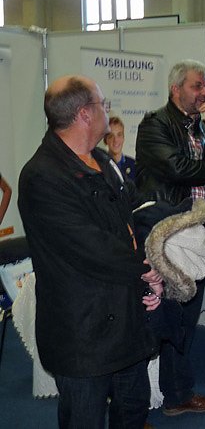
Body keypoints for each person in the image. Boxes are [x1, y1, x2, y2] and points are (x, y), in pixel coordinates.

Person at [17, 75, 161, 428]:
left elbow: (132, 215)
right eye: (102, 104)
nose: (106, 110)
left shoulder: (101, 159)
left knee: (133, 408)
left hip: (125, 320)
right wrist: (146, 268)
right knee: (84, 419)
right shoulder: (42, 176)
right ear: (84, 114)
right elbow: (91, 247)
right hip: (82, 334)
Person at [135, 60, 205, 415]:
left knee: (186, 320)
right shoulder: (154, 124)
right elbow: (177, 168)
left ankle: (178, 394)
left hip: (201, 239)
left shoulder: (203, 127)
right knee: (170, 319)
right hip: (170, 237)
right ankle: (163, 396)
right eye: (197, 86)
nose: (204, 92)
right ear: (175, 89)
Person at [104, 115, 136, 180]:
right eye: (111, 136)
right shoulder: (100, 166)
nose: (115, 140)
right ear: (106, 140)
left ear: (123, 138)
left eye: (119, 135)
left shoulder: (133, 165)